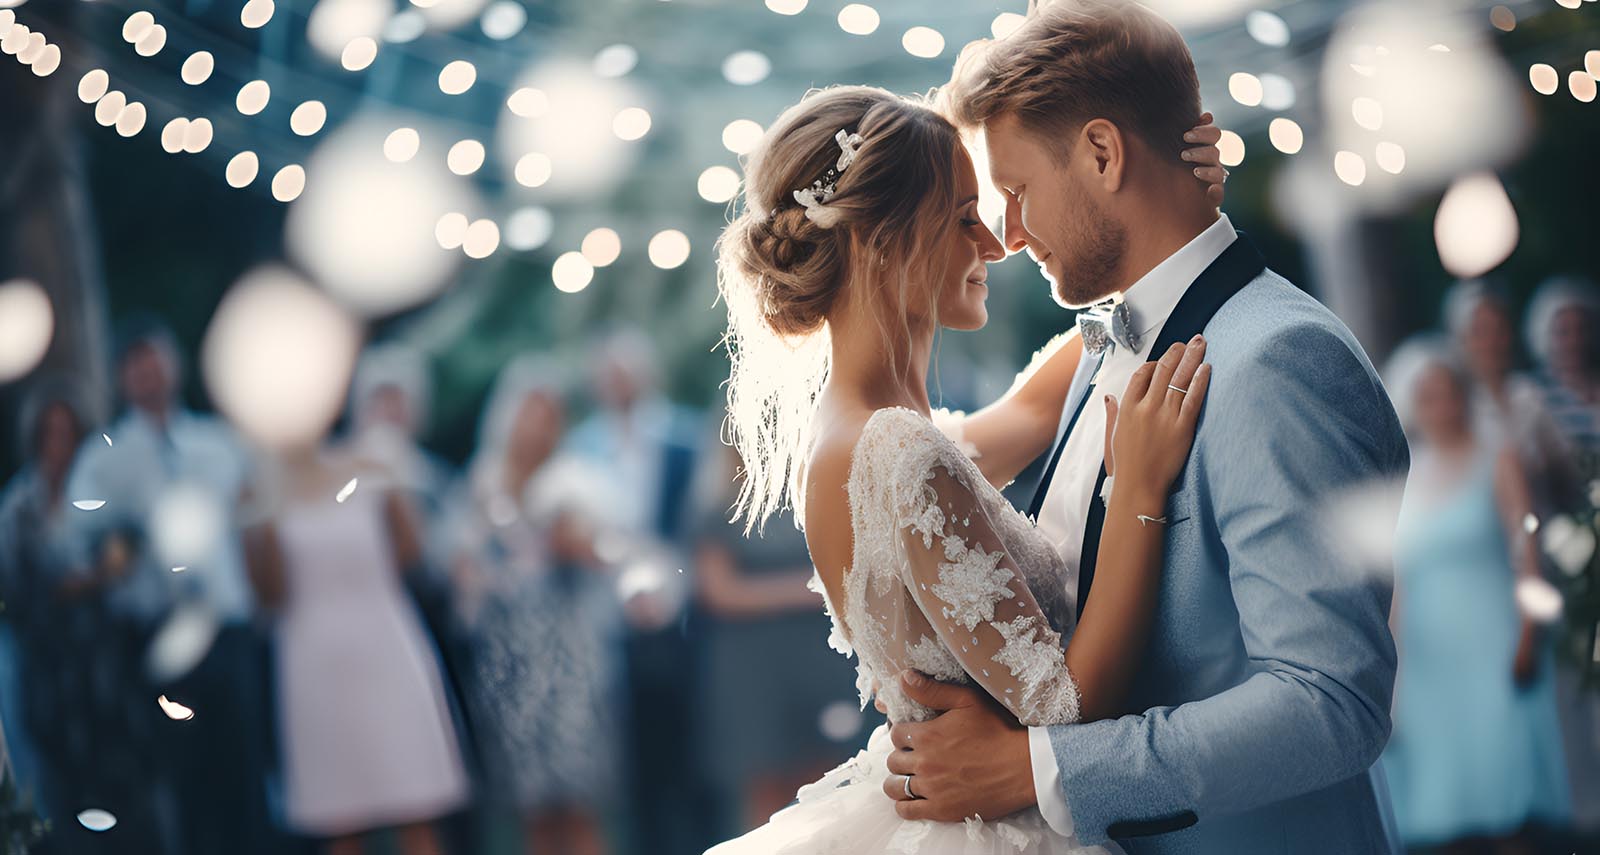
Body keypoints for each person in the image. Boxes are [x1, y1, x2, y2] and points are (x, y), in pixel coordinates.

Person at [713, 2, 1411, 852]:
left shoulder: (1275, 359)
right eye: (980, 206)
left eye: (1012, 192)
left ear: (1104, 153)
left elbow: (1332, 701)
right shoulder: (1084, 362)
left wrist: (1031, 768)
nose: (1004, 236)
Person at [704, 65, 1227, 849]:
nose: (995, 242)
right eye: (962, 219)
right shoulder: (899, 452)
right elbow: (1067, 711)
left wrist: (1167, 215)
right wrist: (1139, 493)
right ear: (884, 243)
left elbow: (1036, 403)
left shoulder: (875, 436)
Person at [64, 315, 273, 855]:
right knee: (186, 776)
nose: (149, 374)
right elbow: (79, 542)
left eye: (155, 359)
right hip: (161, 634)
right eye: (136, 365)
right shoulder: (105, 459)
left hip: (229, 627)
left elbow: (254, 525)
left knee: (246, 770)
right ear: (121, 377)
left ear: (175, 365)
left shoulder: (218, 444)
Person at [1379, 339, 1570, 852]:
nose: (1441, 405)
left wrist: (1530, 631)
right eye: (1428, 395)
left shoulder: (1498, 459)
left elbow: (1527, 548)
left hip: (1495, 639)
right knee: (1448, 812)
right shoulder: (1404, 473)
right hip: (1430, 657)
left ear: (1463, 394)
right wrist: (1392, 668)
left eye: (1448, 392)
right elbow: (1397, 579)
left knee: (1507, 793)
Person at [243, 440, 470, 855]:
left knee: (416, 807)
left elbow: (411, 552)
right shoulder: (259, 488)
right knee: (339, 821)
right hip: (312, 662)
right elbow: (268, 595)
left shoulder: (372, 465)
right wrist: (261, 519)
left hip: (385, 646)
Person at [444, 359, 622, 855]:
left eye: (549, 415)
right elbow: (460, 575)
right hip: (508, 661)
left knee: (580, 805)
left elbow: (608, 554)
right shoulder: (481, 484)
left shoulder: (577, 481)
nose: (538, 425)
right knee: (532, 810)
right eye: (530, 413)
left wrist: (574, 540)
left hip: (570, 657)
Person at [691, 441, 865, 834]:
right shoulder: (719, 502)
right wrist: (808, 590)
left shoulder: (818, 492)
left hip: (817, 662)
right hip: (751, 670)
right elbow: (719, 593)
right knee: (764, 796)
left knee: (824, 788)